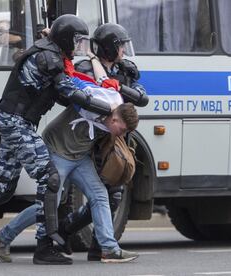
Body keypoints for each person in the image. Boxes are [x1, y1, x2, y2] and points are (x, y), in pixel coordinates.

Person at [0, 14, 112, 265]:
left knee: (3, 188)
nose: (79, 47)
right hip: (17, 124)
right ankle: (45, 247)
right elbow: (69, 93)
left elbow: (57, 95)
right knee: (49, 179)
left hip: (12, 121)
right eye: (77, 41)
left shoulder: (49, 53)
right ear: (65, 39)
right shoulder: (48, 57)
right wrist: (107, 106)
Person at [0, 51, 140, 263]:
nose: (120, 135)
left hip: (80, 156)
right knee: (51, 200)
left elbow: (103, 79)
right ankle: (3, 236)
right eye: (120, 129)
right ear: (114, 116)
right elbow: (74, 84)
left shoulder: (115, 98)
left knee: (99, 196)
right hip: (57, 149)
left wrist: (94, 59)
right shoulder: (96, 100)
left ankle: (109, 248)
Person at [60, 23, 149, 261]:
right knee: (103, 195)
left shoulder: (126, 70)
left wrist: (117, 87)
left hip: (116, 141)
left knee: (112, 195)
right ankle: (81, 237)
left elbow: (142, 98)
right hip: (91, 140)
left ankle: (90, 241)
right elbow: (76, 97)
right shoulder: (85, 69)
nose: (123, 51)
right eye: (120, 46)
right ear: (110, 47)